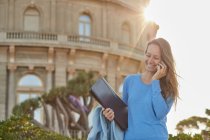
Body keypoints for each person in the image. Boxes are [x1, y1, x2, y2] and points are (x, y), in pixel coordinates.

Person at [103, 38, 179, 140]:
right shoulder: (130, 81)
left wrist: (155, 81)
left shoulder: (169, 87)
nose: (150, 61)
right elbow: (123, 114)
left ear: (164, 62)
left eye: (156, 57)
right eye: (148, 55)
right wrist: (111, 116)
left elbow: (160, 113)